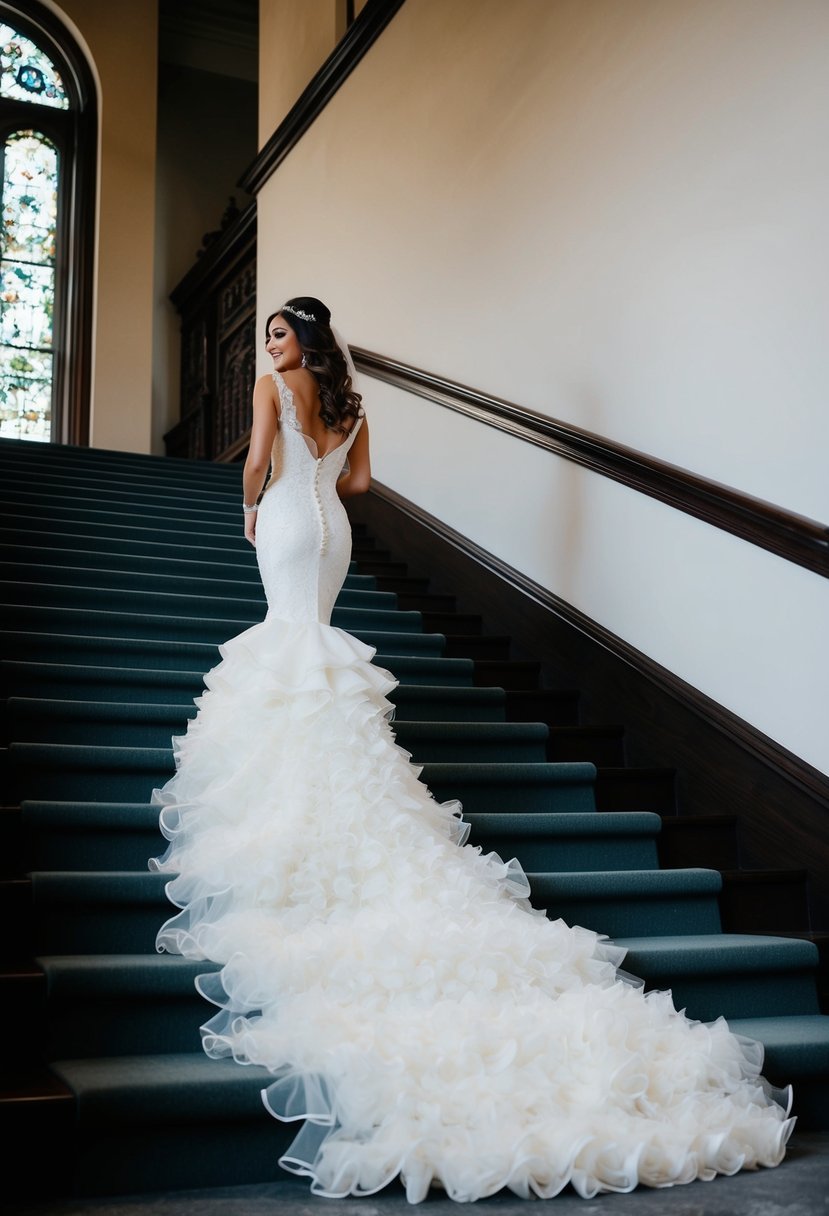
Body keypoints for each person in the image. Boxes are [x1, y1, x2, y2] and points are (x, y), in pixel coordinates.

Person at [149, 297, 793, 1204]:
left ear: (302, 340)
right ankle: (331, 778)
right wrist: (317, 477)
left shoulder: (269, 390)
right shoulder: (349, 401)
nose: (272, 347)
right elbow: (362, 487)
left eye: (280, 334)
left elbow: (255, 458)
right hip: (332, 530)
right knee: (313, 644)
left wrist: (251, 506)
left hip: (290, 525)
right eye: (268, 339)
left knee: (285, 643)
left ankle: (292, 791)